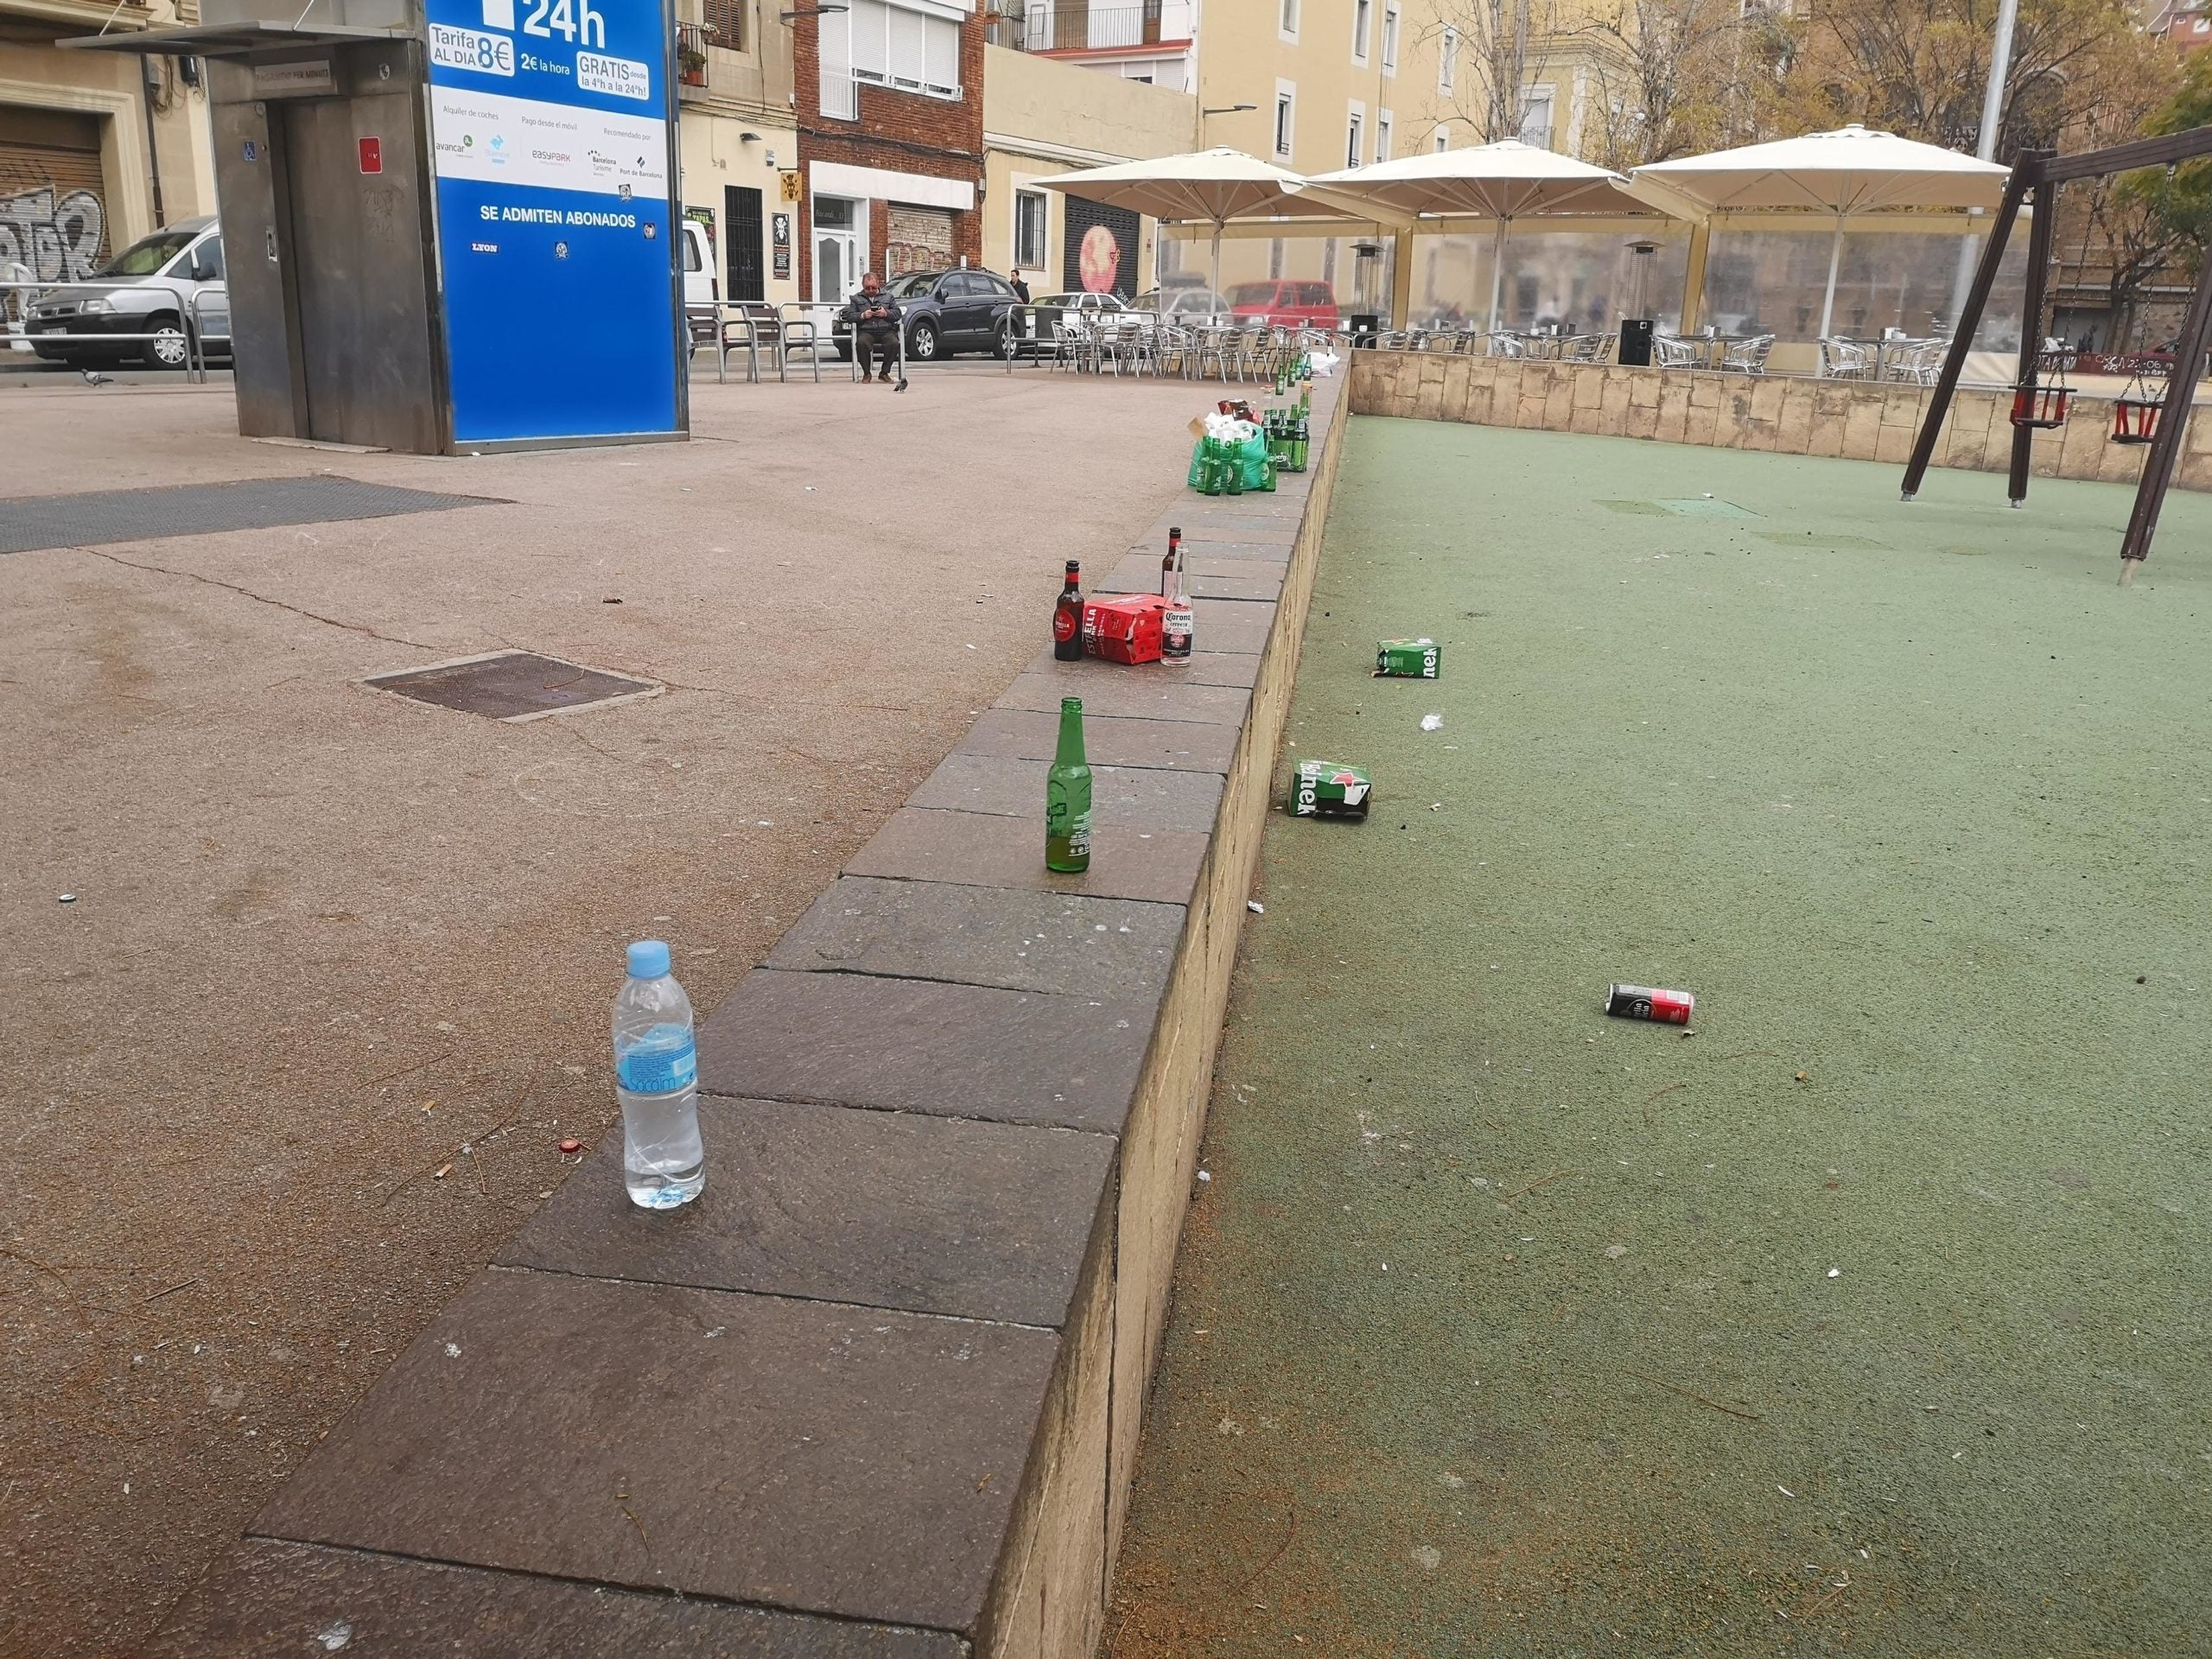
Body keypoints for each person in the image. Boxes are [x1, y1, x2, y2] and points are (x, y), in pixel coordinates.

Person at [843, 271, 902, 385]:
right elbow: (849, 316)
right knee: (861, 343)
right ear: (863, 285)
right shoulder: (856, 298)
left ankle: (884, 373)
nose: (870, 290)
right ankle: (867, 373)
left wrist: (886, 313)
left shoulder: (888, 296)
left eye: (873, 287)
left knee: (894, 343)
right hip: (866, 330)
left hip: (886, 329)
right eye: (867, 288)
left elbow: (898, 313)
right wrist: (863, 315)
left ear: (878, 284)